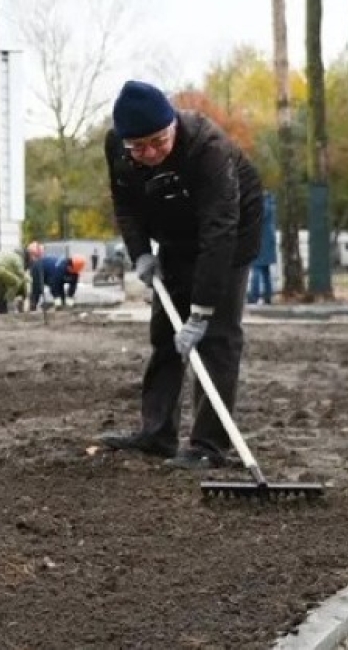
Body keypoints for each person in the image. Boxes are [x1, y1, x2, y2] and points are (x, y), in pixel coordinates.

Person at [97, 80, 264, 470]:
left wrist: (202, 311)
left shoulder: (207, 147)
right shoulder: (117, 148)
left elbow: (219, 229)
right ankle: (156, 434)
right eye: (139, 147)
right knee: (165, 335)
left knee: (216, 338)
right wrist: (141, 254)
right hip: (174, 233)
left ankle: (209, 445)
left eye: (158, 141)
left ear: (172, 125)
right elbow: (126, 203)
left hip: (232, 233)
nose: (150, 153)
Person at [28, 245, 86, 310]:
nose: (68, 267)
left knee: (61, 292)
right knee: (38, 289)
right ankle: (33, 306)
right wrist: (57, 298)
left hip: (52, 274)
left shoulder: (75, 272)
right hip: (39, 268)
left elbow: (73, 286)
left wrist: (70, 299)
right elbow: (54, 285)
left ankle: (62, 308)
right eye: (69, 266)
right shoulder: (60, 268)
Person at [247, 192, 277, 305]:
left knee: (256, 269)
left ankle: (254, 295)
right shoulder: (270, 202)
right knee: (265, 270)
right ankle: (268, 295)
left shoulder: (263, 204)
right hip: (267, 241)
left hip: (261, 240)